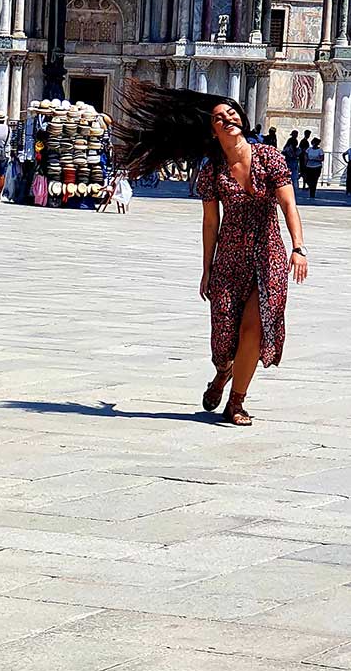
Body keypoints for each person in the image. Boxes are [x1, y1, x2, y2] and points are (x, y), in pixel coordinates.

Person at [117, 83, 308, 427]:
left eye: (232, 113)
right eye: (220, 117)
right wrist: (206, 269)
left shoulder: (270, 158)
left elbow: (288, 203)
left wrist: (298, 246)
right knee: (223, 342)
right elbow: (210, 222)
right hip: (229, 259)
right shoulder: (213, 170)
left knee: (255, 328)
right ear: (212, 129)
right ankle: (222, 374)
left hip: (269, 255)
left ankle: (237, 402)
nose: (228, 118)